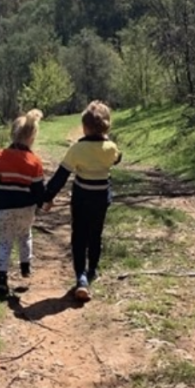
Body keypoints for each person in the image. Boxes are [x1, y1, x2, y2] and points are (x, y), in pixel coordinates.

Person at [43, 100, 122, 301]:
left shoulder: (78, 149)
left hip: (81, 199)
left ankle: (81, 278)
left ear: (84, 127)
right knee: (96, 234)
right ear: (107, 125)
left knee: (79, 236)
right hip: (101, 198)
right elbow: (117, 158)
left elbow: (61, 176)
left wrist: (47, 197)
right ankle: (92, 269)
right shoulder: (111, 147)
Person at [0, 109, 46, 295]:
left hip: (4, 207)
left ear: (12, 134)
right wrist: (43, 202)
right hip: (26, 207)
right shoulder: (34, 162)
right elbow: (39, 189)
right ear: (32, 137)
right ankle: (25, 265)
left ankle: (1, 278)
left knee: (4, 242)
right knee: (25, 235)